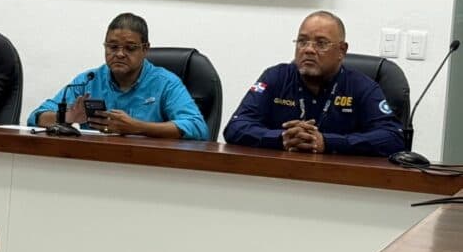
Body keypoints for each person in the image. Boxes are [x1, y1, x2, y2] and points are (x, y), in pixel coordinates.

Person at [223, 11, 404, 156]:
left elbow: (392, 137)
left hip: (342, 185)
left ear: (342, 50)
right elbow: (235, 127)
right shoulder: (275, 77)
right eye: (302, 41)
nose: (308, 49)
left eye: (321, 43)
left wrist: (328, 142)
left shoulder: (362, 87)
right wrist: (281, 138)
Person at [28, 12, 209, 140]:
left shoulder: (165, 83)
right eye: (113, 47)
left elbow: (197, 127)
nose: (120, 54)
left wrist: (138, 128)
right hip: (94, 164)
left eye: (130, 48)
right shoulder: (89, 80)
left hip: (150, 167)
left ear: (145, 49)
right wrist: (67, 117)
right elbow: (36, 117)